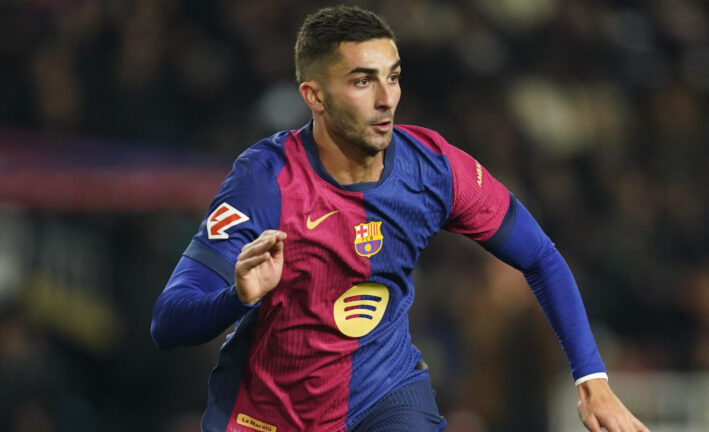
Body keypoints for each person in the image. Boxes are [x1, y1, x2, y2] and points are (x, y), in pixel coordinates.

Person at [151, 5, 649, 432]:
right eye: (362, 80)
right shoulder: (264, 182)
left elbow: (540, 256)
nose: (387, 97)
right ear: (314, 96)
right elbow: (168, 321)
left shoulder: (434, 168)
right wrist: (236, 297)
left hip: (383, 395)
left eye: (393, 76)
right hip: (266, 412)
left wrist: (592, 382)